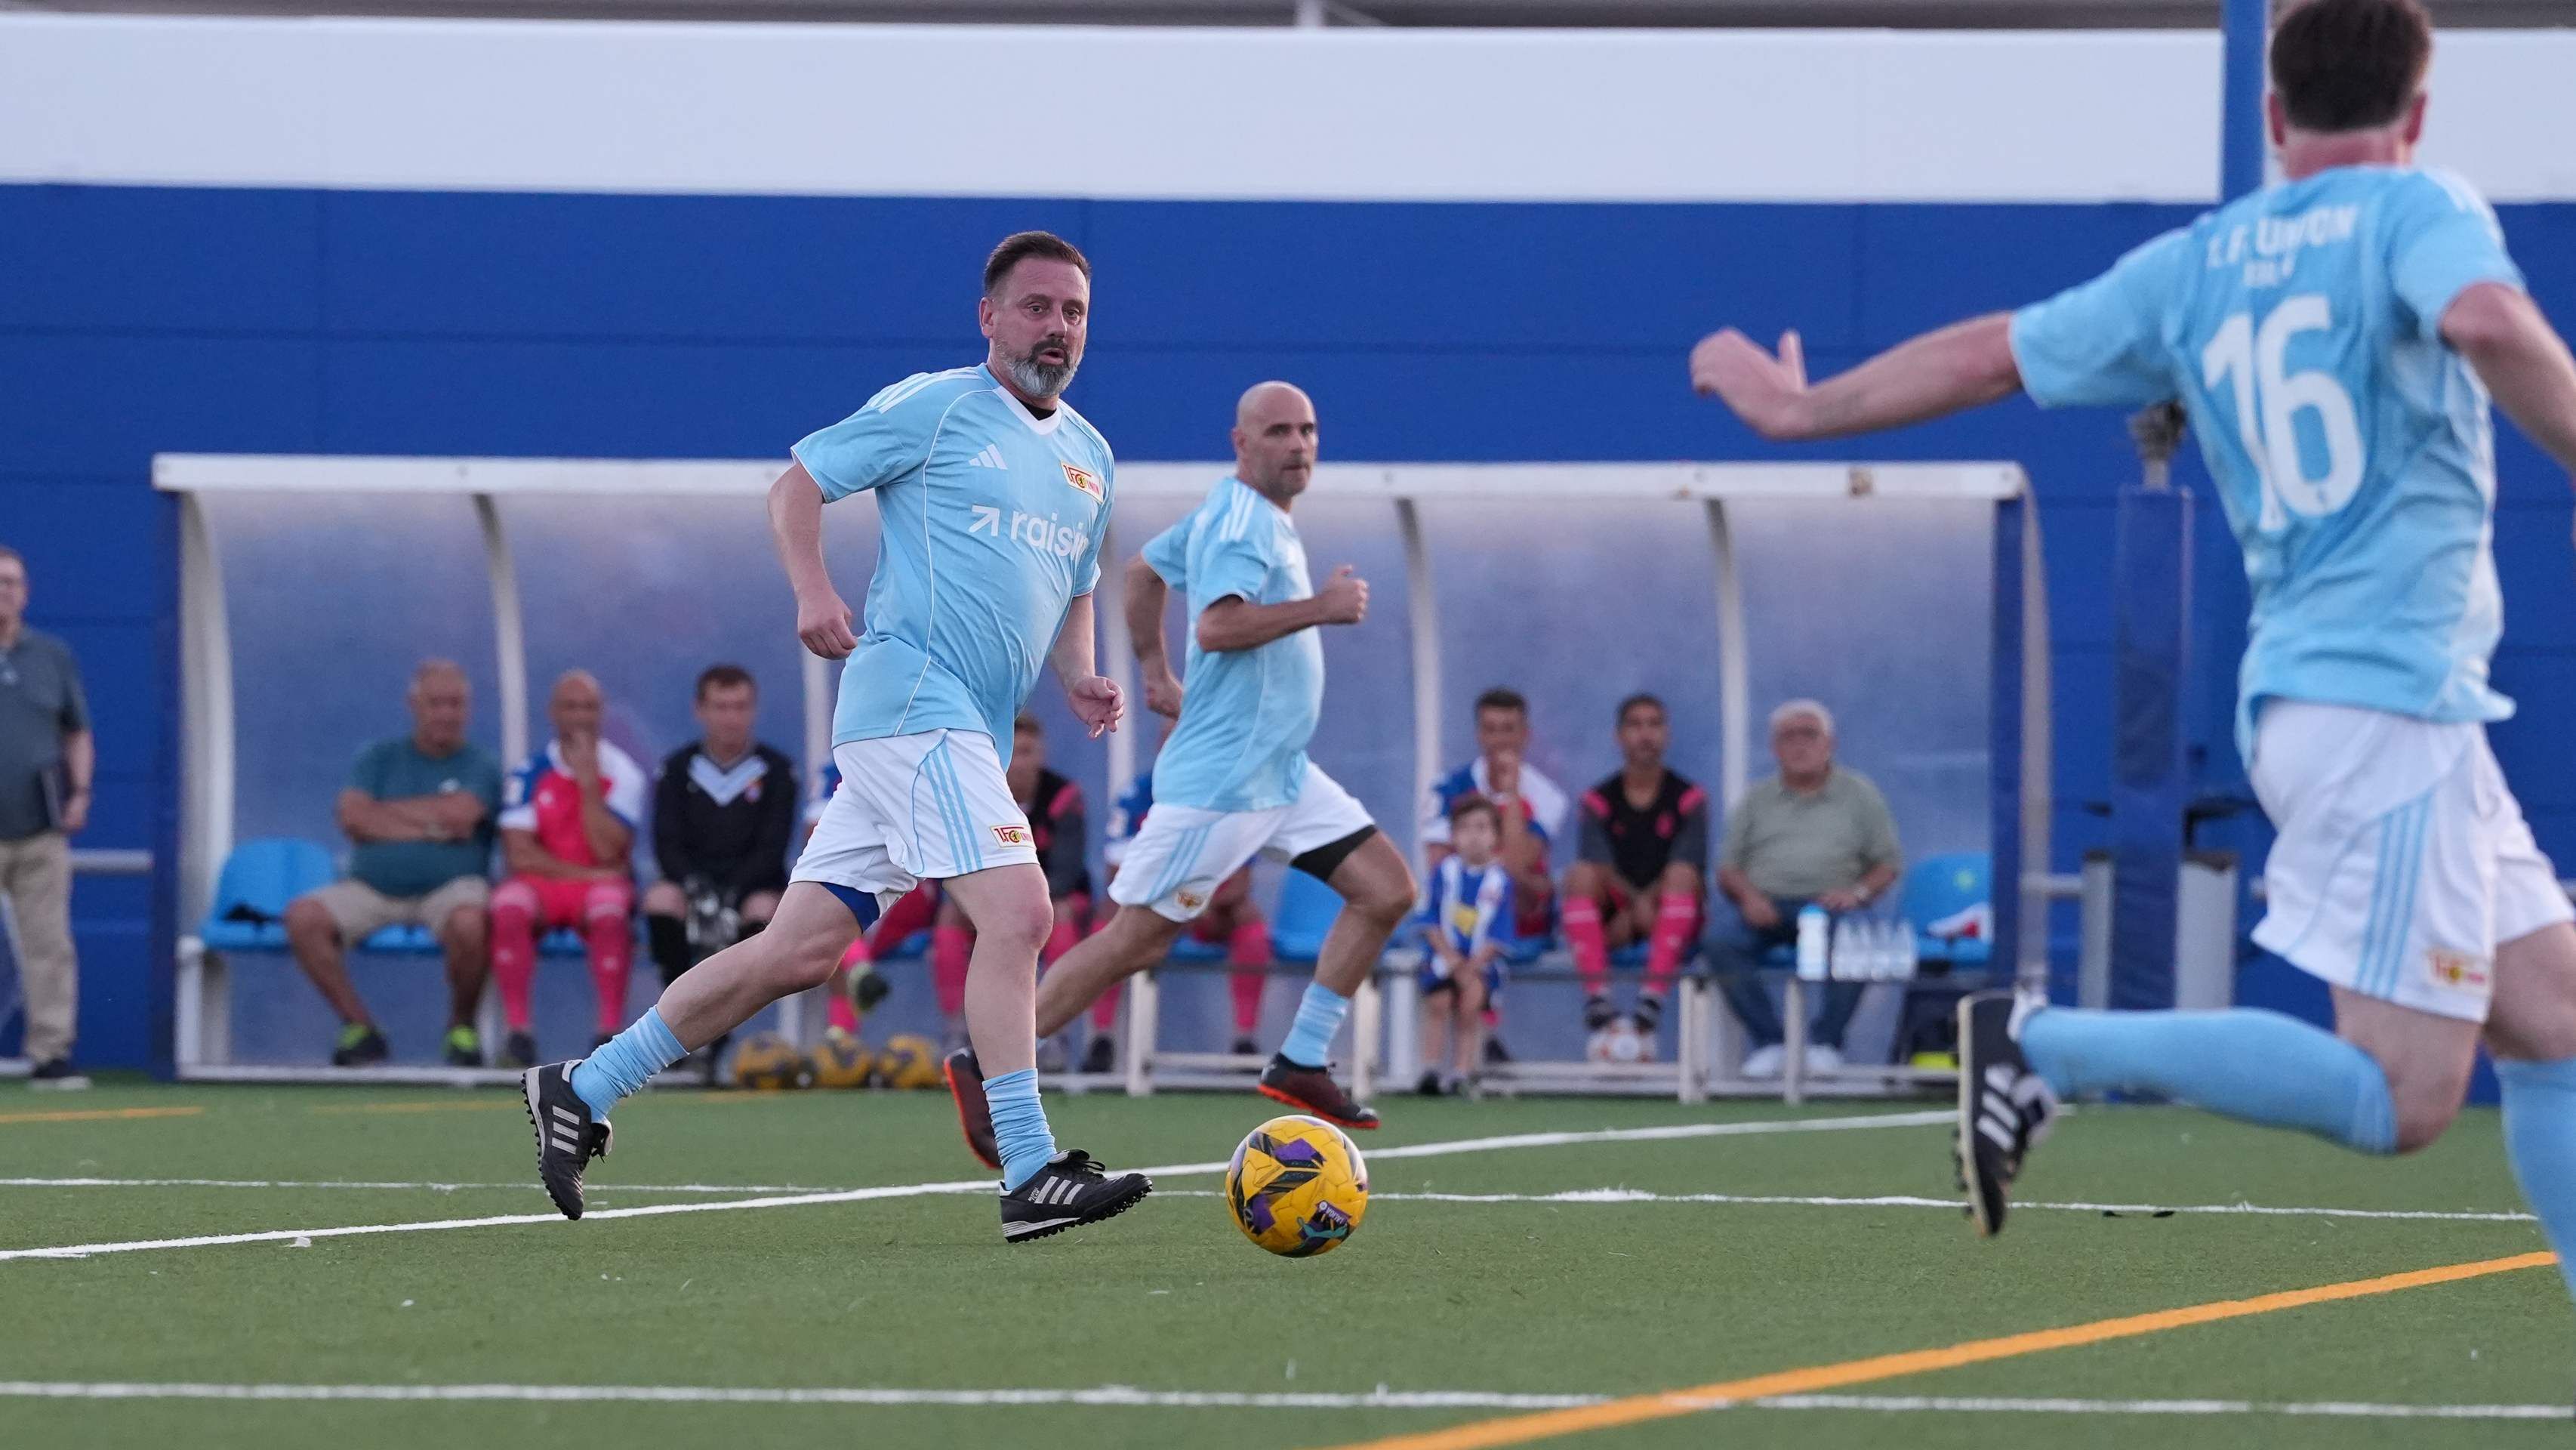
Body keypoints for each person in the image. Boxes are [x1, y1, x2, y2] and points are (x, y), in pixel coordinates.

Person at [1690, 0, 2576, 1255]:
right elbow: (2485, 320)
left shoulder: (2197, 264)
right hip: (2381, 701)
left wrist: (1797, 409)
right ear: (2416, 116)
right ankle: (2040, 1044)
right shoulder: (2418, 208)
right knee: (2406, 1099)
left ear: (2272, 120)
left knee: (2555, 1028)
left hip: (2351, 698)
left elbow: (1992, 353)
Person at [528, 231, 1150, 1244]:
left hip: (955, 738)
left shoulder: (1091, 456)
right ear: (989, 318)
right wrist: (813, 590)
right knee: (1023, 910)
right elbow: (796, 486)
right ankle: (1030, 1167)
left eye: (1074, 312)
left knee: (797, 953)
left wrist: (1079, 673)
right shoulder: (936, 405)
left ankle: (583, 1086)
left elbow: (1075, 584)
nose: (1057, 328)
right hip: (913, 705)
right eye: (1035, 307)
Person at [946, 379, 1419, 1165]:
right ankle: (985, 1062)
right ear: (1241, 444)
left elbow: (1140, 572)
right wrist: (1321, 608)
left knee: (1387, 890)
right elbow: (1220, 623)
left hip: (1281, 772)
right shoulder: (1241, 521)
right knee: (1132, 941)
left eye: (1307, 429)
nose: (1297, 445)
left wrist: (1155, 673)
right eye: (1277, 432)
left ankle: (1301, 1059)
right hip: (1223, 782)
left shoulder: (1242, 514)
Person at [282, 659, 504, 1068]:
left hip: (452, 887)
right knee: (303, 917)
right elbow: (352, 818)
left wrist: (383, 817)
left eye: (455, 704)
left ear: (468, 710)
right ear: (414, 705)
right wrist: (432, 823)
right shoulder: (378, 758)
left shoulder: (481, 764)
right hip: (371, 887)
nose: (446, 714)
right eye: (436, 703)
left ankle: (461, 1029)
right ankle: (360, 1028)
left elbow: (462, 818)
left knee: (471, 923)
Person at [1712, 699, 1904, 1078]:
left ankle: (1826, 1044)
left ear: (1829, 744)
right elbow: (1728, 867)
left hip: (1831, 907)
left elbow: (1888, 864)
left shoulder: (1860, 795)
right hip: (1765, 907)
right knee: (1720, 941)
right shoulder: (1756, 800)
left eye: (1809, 735)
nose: (1799, 745)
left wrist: (1858, 895)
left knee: (1855, 940)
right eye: (1788, 737)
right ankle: (1769, 1043)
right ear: (1774, 748)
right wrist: (1749, 898)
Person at [642, 664, 797, 1080]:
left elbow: (774, 845)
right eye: (721, 706)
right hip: (692, 884)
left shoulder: (777, 771)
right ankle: (677, 1016)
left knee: (764, 911)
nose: (731, 717)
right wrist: (696, 888)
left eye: (740, 707)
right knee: (660, 900)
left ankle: (719, 1032)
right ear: (700, 710)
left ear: (753, 710)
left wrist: (732, 893)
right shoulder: (677, 769)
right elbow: (666, 840)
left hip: (751, 886)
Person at [490, 670, 649, 1069]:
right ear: (553, 713)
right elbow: (520, 856)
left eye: (589, 707)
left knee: (611, 911)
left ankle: (608, 1034)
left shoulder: (624, 774)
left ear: (602, 714)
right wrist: (591, 874)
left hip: (593, 891)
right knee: (508, 905)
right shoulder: (529, 773)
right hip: (544, 885)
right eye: (571, 706)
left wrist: (589, 787)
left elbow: (609, 848)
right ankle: (518, 1034)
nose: (580, 716)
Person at [1080, 754, 1275, 1073]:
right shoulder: (1138, 794)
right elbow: (1118, 874)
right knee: (1107, 915)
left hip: (1209, 910)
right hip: (1150, 909)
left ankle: (1245, 1041)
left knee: (1249, 917)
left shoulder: (1232, 798)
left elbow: (1240, 881)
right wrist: (1173, 906)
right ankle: (1100, 1038)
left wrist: (1195, 906)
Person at [925, 714, 1092, 1060]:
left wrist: (1018, 901)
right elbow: (956, 863)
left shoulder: (1063, 796)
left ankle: (1049, 1032)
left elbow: (1066, 871)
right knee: (950, 913)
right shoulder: (978, 796)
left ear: (1041, 755)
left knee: (1057, 913)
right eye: (1011, 751)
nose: (1019, 761)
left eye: (1028, 751)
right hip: (991, 899)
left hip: (1050, 901)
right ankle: (958, 1031)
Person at [1562, 694, 1709, 1050]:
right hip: (1618, 917)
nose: (1645, 734)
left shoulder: (1690, 798)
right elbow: (1598, 866)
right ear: (1619, 736)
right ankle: (1598, 998)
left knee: (1682, 876)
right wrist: (1633, 910)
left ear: (1666, 734)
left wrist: (1645, 909)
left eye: (1654, 724)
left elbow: (1690, 865)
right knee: (1578, 876)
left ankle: (1652, 999)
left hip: (1670, 912)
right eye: (1635, 725)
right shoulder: (1597, 800)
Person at [0, 546, 92, 1089]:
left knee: (48, 943)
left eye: (12, 582)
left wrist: (79, 792)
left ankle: (50, 1053)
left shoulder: (51, 656)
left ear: (26, 593)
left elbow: (77, 730)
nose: (3, 591)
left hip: (38, 826)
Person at [1421, 687, 1568, 944]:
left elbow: (1514, 868)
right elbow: (1441, 868)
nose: (1500, 740)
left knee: (1532, 890)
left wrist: (1512, 793)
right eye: (1491, 730)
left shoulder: (1549, 798)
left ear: (1525, 735)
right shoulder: (1446, 788)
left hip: (1519, 916)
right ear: (1479, 735)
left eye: (1508, 729)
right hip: (1461, 912)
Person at [1415, 794, 1516, 1096]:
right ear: (1453, 835)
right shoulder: (1444, 873)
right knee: (1439, 1003)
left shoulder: (1500, 882)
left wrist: (1471, 966)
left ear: (1496, 836)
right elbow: (1429, 920)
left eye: (1482, 828)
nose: (1474, 836)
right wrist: (1451, 958)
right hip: (1444, 959)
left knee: (1470, 1003)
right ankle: (1430, 1069)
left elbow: (1500, 935)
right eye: (1465, 828)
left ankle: (1462, 1071)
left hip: (1480, 965)